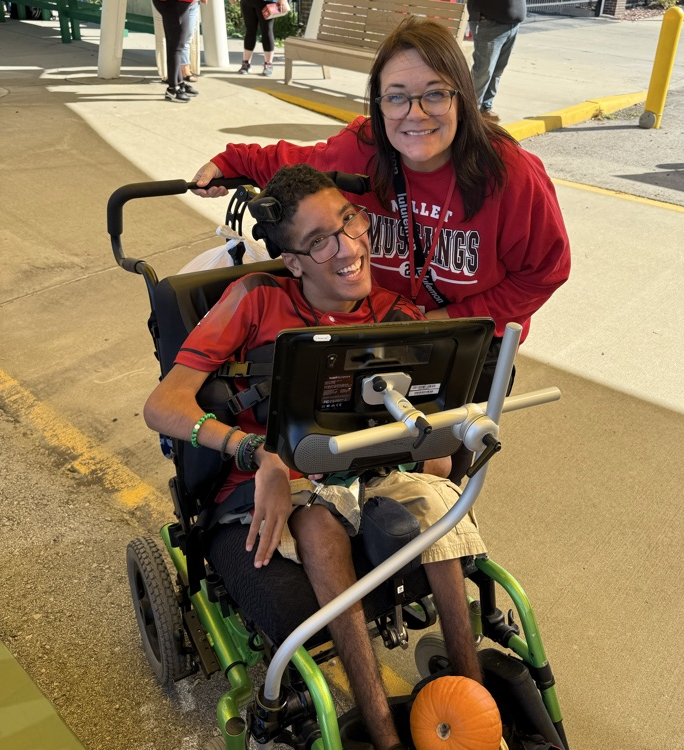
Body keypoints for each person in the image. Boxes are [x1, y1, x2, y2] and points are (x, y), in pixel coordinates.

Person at [144, 164, 487, 750]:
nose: (348, 248)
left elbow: (438, 415)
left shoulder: (393, 310)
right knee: (319, 519)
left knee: (436, 501)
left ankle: (472, 705)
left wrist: (441, 445)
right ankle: (382, 733)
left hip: (373, 470)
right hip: (284, 480)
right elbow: (163, 403)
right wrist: (256, 453)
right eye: (318, 241)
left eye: (350, 223)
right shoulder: (256, 301)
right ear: (295, 261)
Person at [192, 16, 571, 479]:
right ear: (379, 102)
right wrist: (229, 161)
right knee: (357, 464)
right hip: (377, 332)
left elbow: (544, 273)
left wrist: (440, 322)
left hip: (467, 345)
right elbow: (292, 161)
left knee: (442, 473)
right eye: (397, 97)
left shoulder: (510, 175)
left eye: (435, 93)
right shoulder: (363, 149)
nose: (415, 114)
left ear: (462, 97)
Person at [468, 0, 526, 122]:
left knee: (497, 70)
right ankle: (471, 111)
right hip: (489, 23)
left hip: (513, 24)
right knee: (484, 71)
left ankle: (485, 107)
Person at [152, 0, 199, 102]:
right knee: (176, 45)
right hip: (174, 3)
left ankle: (179, 83)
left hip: (180, 3)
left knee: (176, 44)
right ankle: (172, 88)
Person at [233, 0, 289, 76]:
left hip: (266, 2)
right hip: (247, 2)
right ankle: (246, 64)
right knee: (250, 30)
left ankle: (268, 64)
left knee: (267, 31)